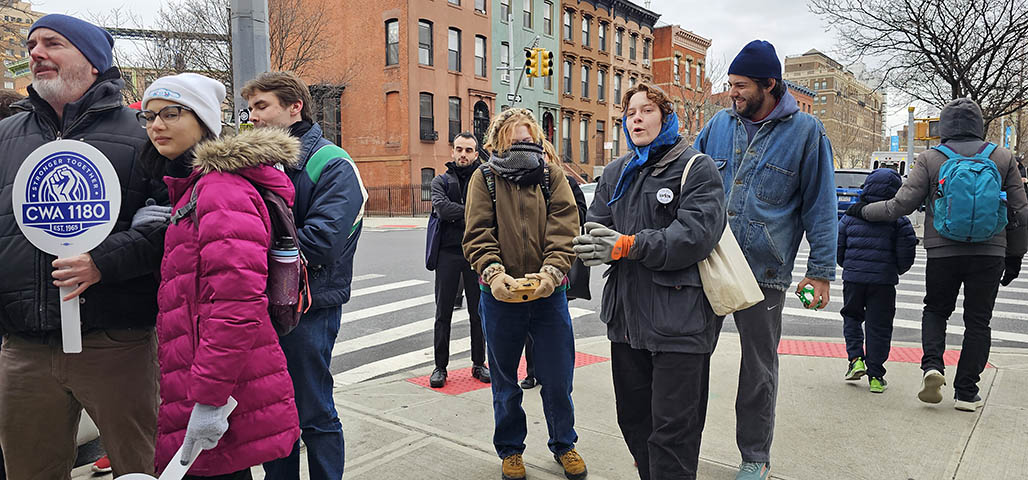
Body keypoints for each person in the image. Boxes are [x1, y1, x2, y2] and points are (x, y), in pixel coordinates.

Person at [0, 15, 164, 478]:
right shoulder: (5, 138)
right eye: (32, 44)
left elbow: (174, 221)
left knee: (141, 467)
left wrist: (102, 261)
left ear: (93, 61)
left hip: (116, 342)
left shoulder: (144, 133)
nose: (36, 53)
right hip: (25, 347)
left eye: (53, 43)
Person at [139, 73, 301, 478]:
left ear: (203, 121)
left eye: (171, 113)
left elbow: (237, 304)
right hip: (202, 374)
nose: (156, 125)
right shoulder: (194, 186)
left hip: (217, 385)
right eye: (149, 115)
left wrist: (210, 399)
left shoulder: (219, 189)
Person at [693, 39, 837, 480]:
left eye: (740, 85)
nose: (732, 92)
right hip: (708, 261)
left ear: (768, 85)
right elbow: (688, 181)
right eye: (730, 83)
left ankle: (755, 456)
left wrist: (820, 273)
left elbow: (821, 205)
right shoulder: (718, 125)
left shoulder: (807, 133)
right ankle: (679, 445)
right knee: (688, 360)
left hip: (764, 272)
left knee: (758, 371)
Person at [573, 83, 727, 480]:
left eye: (646, 110)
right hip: (627, 323)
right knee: (633, 419)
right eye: (630, 113)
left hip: (681, 324)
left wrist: (629, 245)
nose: (636, 119)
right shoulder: (616, 172)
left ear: (666, 116)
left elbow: (695, 236)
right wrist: (592, 244)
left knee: (674, 431)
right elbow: (597, 225)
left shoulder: (696, 168)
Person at [847, 98, 1028, 411]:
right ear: (978, 124)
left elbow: (900, 206)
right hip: (990, 251)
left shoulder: (932, 158)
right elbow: (1021, 212)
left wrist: (863, 211)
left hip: (943, 251)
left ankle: (932, 366)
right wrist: (1015, 255)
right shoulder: (1002, 157)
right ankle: (967, 392)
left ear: (944, 126)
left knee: (935, 310)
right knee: (978, 321)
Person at [243, 71, 366, 480]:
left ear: (295, 106)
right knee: (273, 414)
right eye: (250, 108)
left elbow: (320, 243)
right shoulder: (259, 162)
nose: (252, 116)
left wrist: (246, 247)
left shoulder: (331, 163)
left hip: (309, 307)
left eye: (262, 106)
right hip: (265, 303)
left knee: (313, 411)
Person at [463, 108, 586, 480]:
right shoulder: (484, 178)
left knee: (558, 377)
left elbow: (566, 227)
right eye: (514, 140)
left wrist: (552, 271)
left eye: (529, 139)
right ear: (498, 142)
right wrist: (493, 272)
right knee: (504, 381)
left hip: (549, 295)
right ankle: (511, 451)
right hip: (499, 297)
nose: (523, 145)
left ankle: (564, 444)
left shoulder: (552, 175)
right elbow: (477, 232)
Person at [837, 168, 918, 393]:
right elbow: (906, 254)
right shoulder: (898, 221)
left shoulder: (850, 216)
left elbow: (839, 249)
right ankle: (876, 376)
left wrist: (850, 266)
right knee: (879, 326)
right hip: (883, 282)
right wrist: (894, 270)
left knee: (852, 317)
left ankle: (856, 360)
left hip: (853, 278)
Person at [429, 132, 490, 388]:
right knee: (443, 313)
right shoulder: (440, 181)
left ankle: (479, 363)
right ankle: (440, 367)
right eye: (459, 149)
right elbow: (442, 209)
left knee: (479, 313)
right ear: (452, 151)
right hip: (448, 254)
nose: (463, 154)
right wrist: (472, 212)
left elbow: (489, 211)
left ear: (476, 154)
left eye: (468, 150)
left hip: (476, 253)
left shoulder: (484, 180)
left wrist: (459, 213)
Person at [522, 170, 588, 391]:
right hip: (530, 266)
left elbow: (580, 215)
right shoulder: (523, 180)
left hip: (557, 268)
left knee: (554, 329)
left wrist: (554, 213)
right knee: (528, 326)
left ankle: (552, 375)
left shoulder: (566, 182)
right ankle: (532, 372)